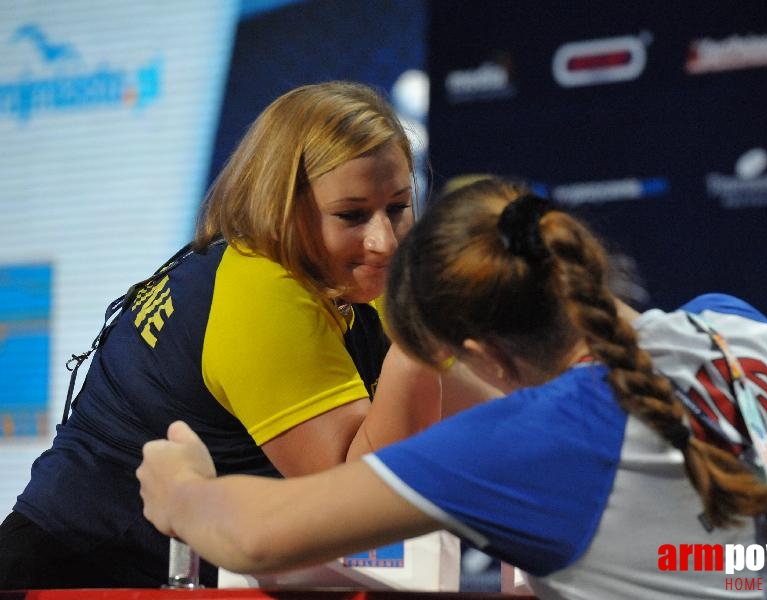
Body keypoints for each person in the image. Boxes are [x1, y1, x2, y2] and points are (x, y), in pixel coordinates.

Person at [137, 177, 767, 599]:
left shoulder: (541, 440)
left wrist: (179, 485)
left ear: (477, 354)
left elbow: (256, 537)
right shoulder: (735, 326)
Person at [0, 80, 465, 589]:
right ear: (281, 207)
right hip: (74, 578)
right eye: (351, 216)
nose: (383, 240)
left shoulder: (349, 274)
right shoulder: (261, 289)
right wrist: (418, 348)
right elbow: (360, 506)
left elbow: (478, 408)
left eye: (398, 207)